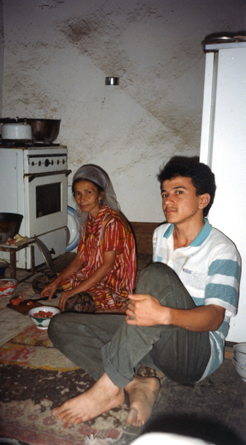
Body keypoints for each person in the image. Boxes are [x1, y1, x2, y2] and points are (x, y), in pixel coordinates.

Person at [48, 157, 241, 426]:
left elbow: (214, 319)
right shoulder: (161, 234)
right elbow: (151, 306)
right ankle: (137, 384)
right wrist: (147, 315)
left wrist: (163, 315)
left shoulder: (222, 250)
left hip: (194, 355)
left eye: (178, 192)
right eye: (164, 193)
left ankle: (108, 387)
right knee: (60, 326)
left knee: (155, 274)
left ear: (203, 200)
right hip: (158, 340)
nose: (167, 201)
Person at [40, 164, 136, 312]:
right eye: (77, 194)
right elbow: (79, 260)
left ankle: (82, 294)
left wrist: (74, 291)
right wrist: (57, 281)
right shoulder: (87, 220)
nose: (82, 199)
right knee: (42, 282)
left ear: (101, 195)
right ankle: (72, 289)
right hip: (87, 275)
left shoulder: (112, 223)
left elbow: (107, 266)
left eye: (88, 192)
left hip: (109, 284)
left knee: (73, 303)